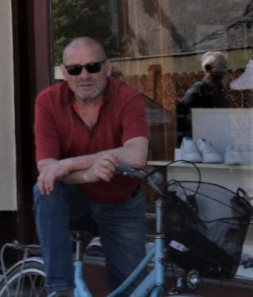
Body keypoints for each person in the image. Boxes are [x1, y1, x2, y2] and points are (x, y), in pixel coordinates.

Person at [33, 37, 149, 296]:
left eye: (92, 67)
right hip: (76, 201)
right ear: (64, 73)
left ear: (107, 68)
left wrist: (72, 163)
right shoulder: (48, 101)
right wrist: (89, 174)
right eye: (75, 69)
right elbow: (48, 169)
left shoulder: (128, 98)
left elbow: (136, 154)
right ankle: (60, 289)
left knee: (131, 289)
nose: (84, 75)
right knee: (45, 190)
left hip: (121, 202)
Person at [176, 51, 229, 145]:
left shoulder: (220, 91)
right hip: (204, 143)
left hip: (220, 140)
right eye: (220, 65)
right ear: (208, 68)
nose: (224, 69)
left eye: (224, 65)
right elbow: (181, 109)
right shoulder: (200, 88)